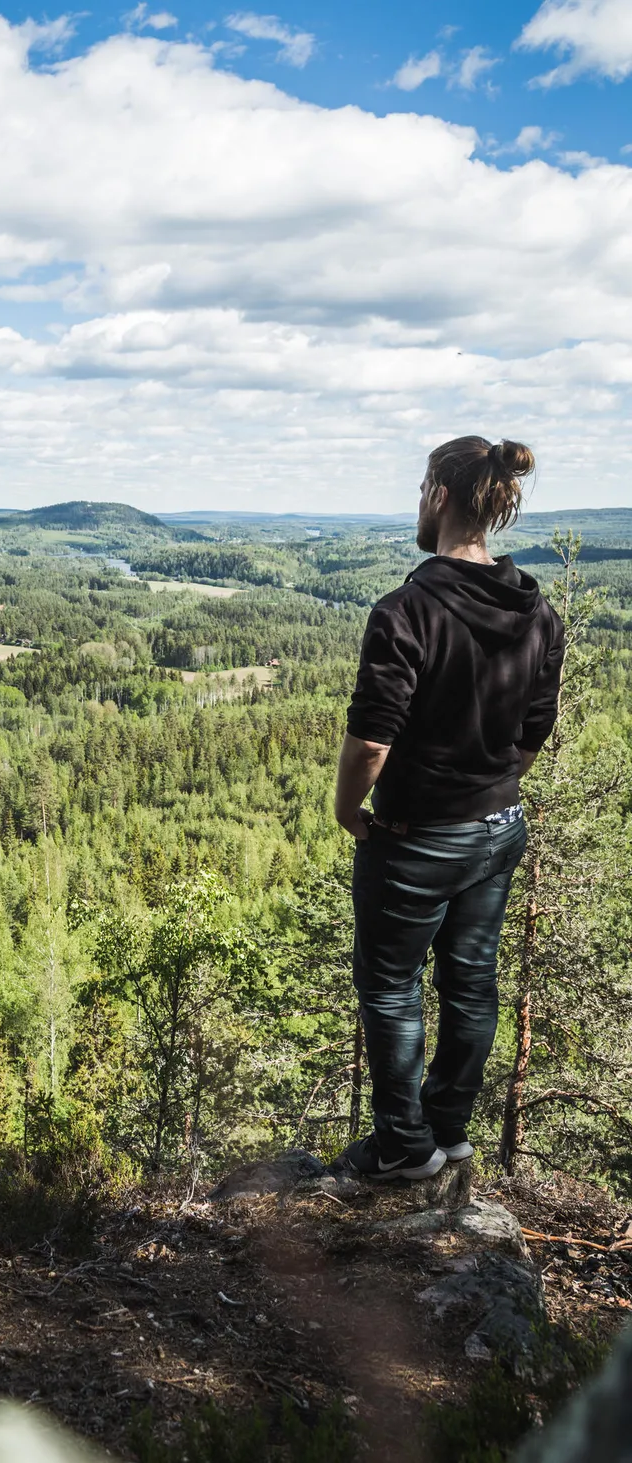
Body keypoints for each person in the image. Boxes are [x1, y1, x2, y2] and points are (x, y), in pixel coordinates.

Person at [334, 436, 564, 1179]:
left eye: (418, 487)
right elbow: (531, 733)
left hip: (415, 839)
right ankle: (447, 1130)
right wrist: (489, 785)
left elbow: (372, 739)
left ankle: (404, 1147)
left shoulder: (407, 609)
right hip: (498, 829)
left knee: (391, 988)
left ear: (437, 493)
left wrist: (347, 808)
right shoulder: (536, 611)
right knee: (470, 980)